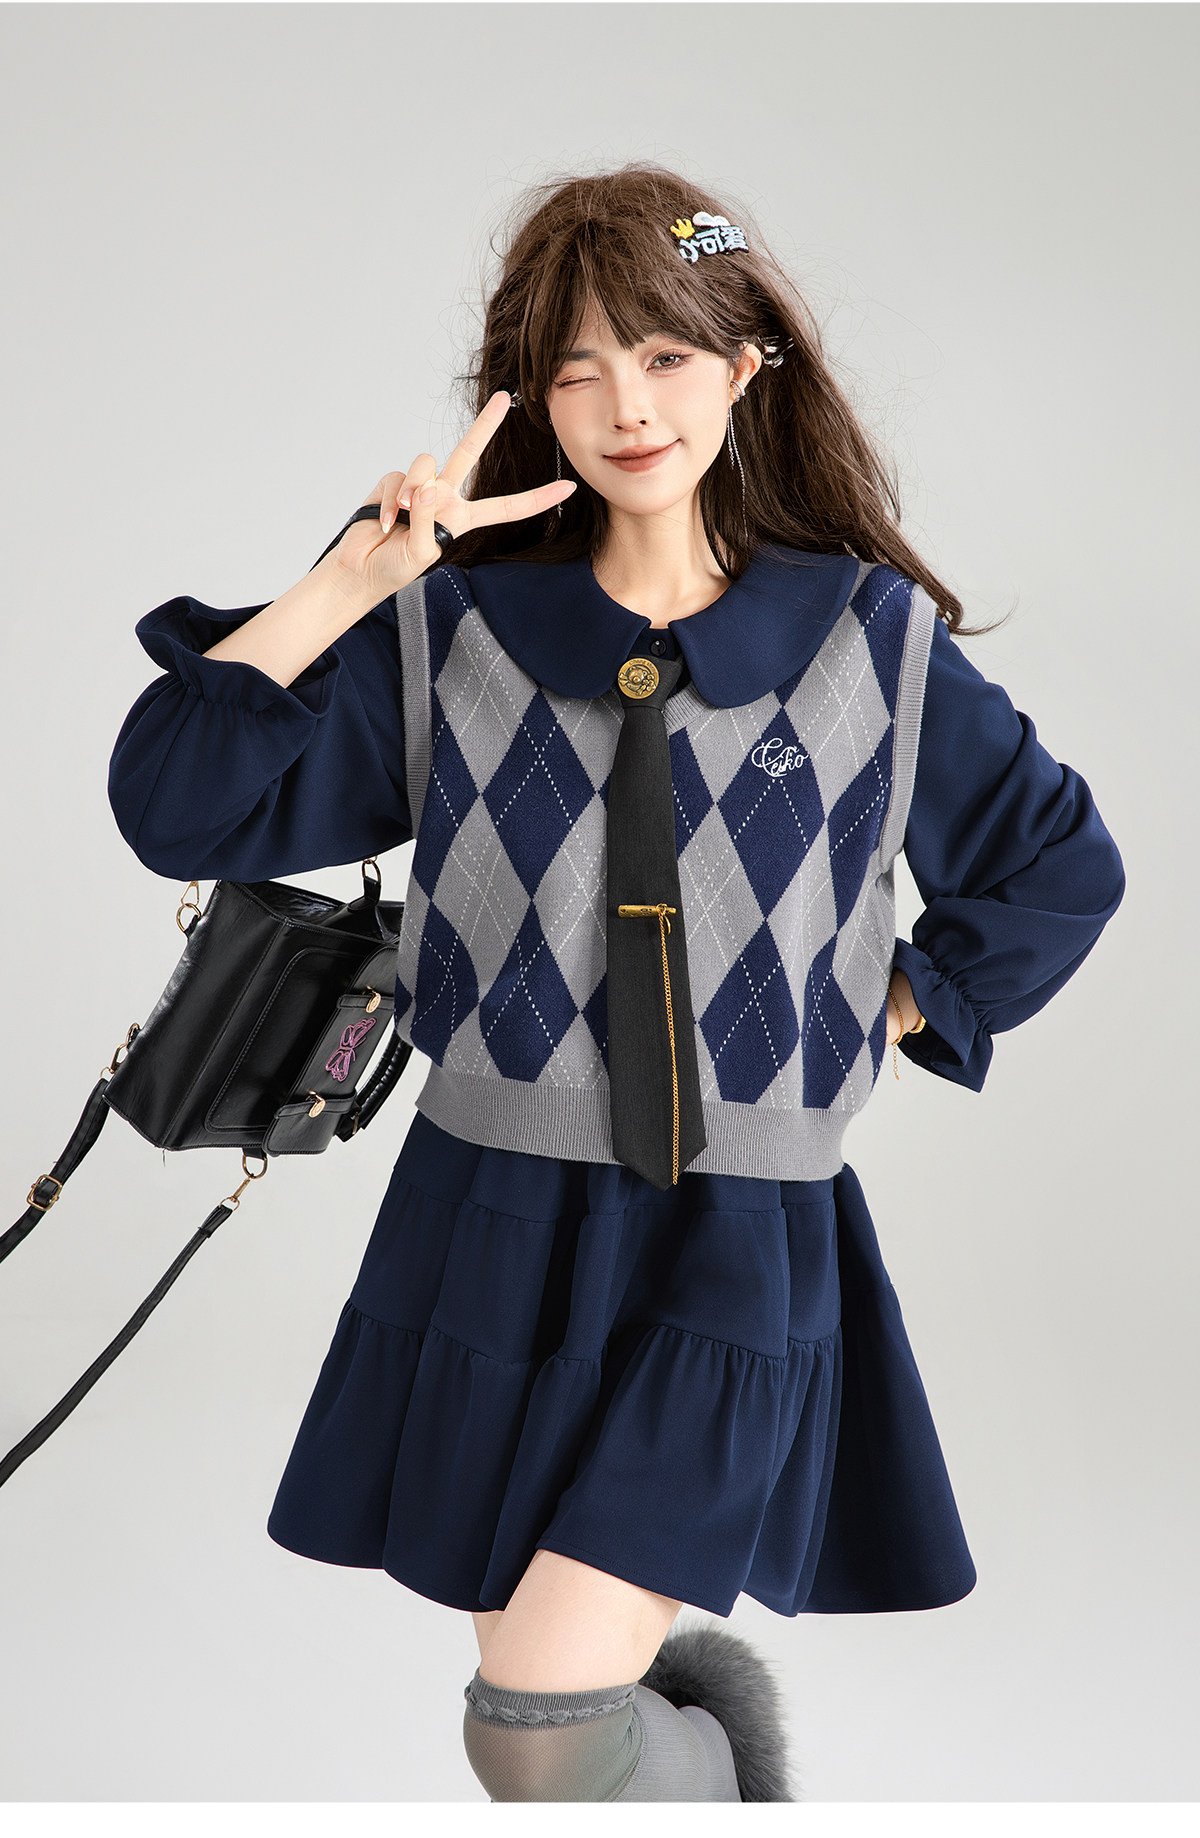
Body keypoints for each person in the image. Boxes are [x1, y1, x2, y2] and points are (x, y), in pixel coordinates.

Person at [106, 163, 1126, 1802]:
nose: (625, 406)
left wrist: (887, 1007)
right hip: (491, 1222)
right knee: (538, 1742)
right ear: (527, 399)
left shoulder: (867, 641)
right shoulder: (454, 630)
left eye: (663, 355)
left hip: (737, 1237)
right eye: (576, 369)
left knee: (541, 1723)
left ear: (745, 362)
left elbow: (1059, 865)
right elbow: (178, 807)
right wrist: (354, 579)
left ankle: (720, 1771)